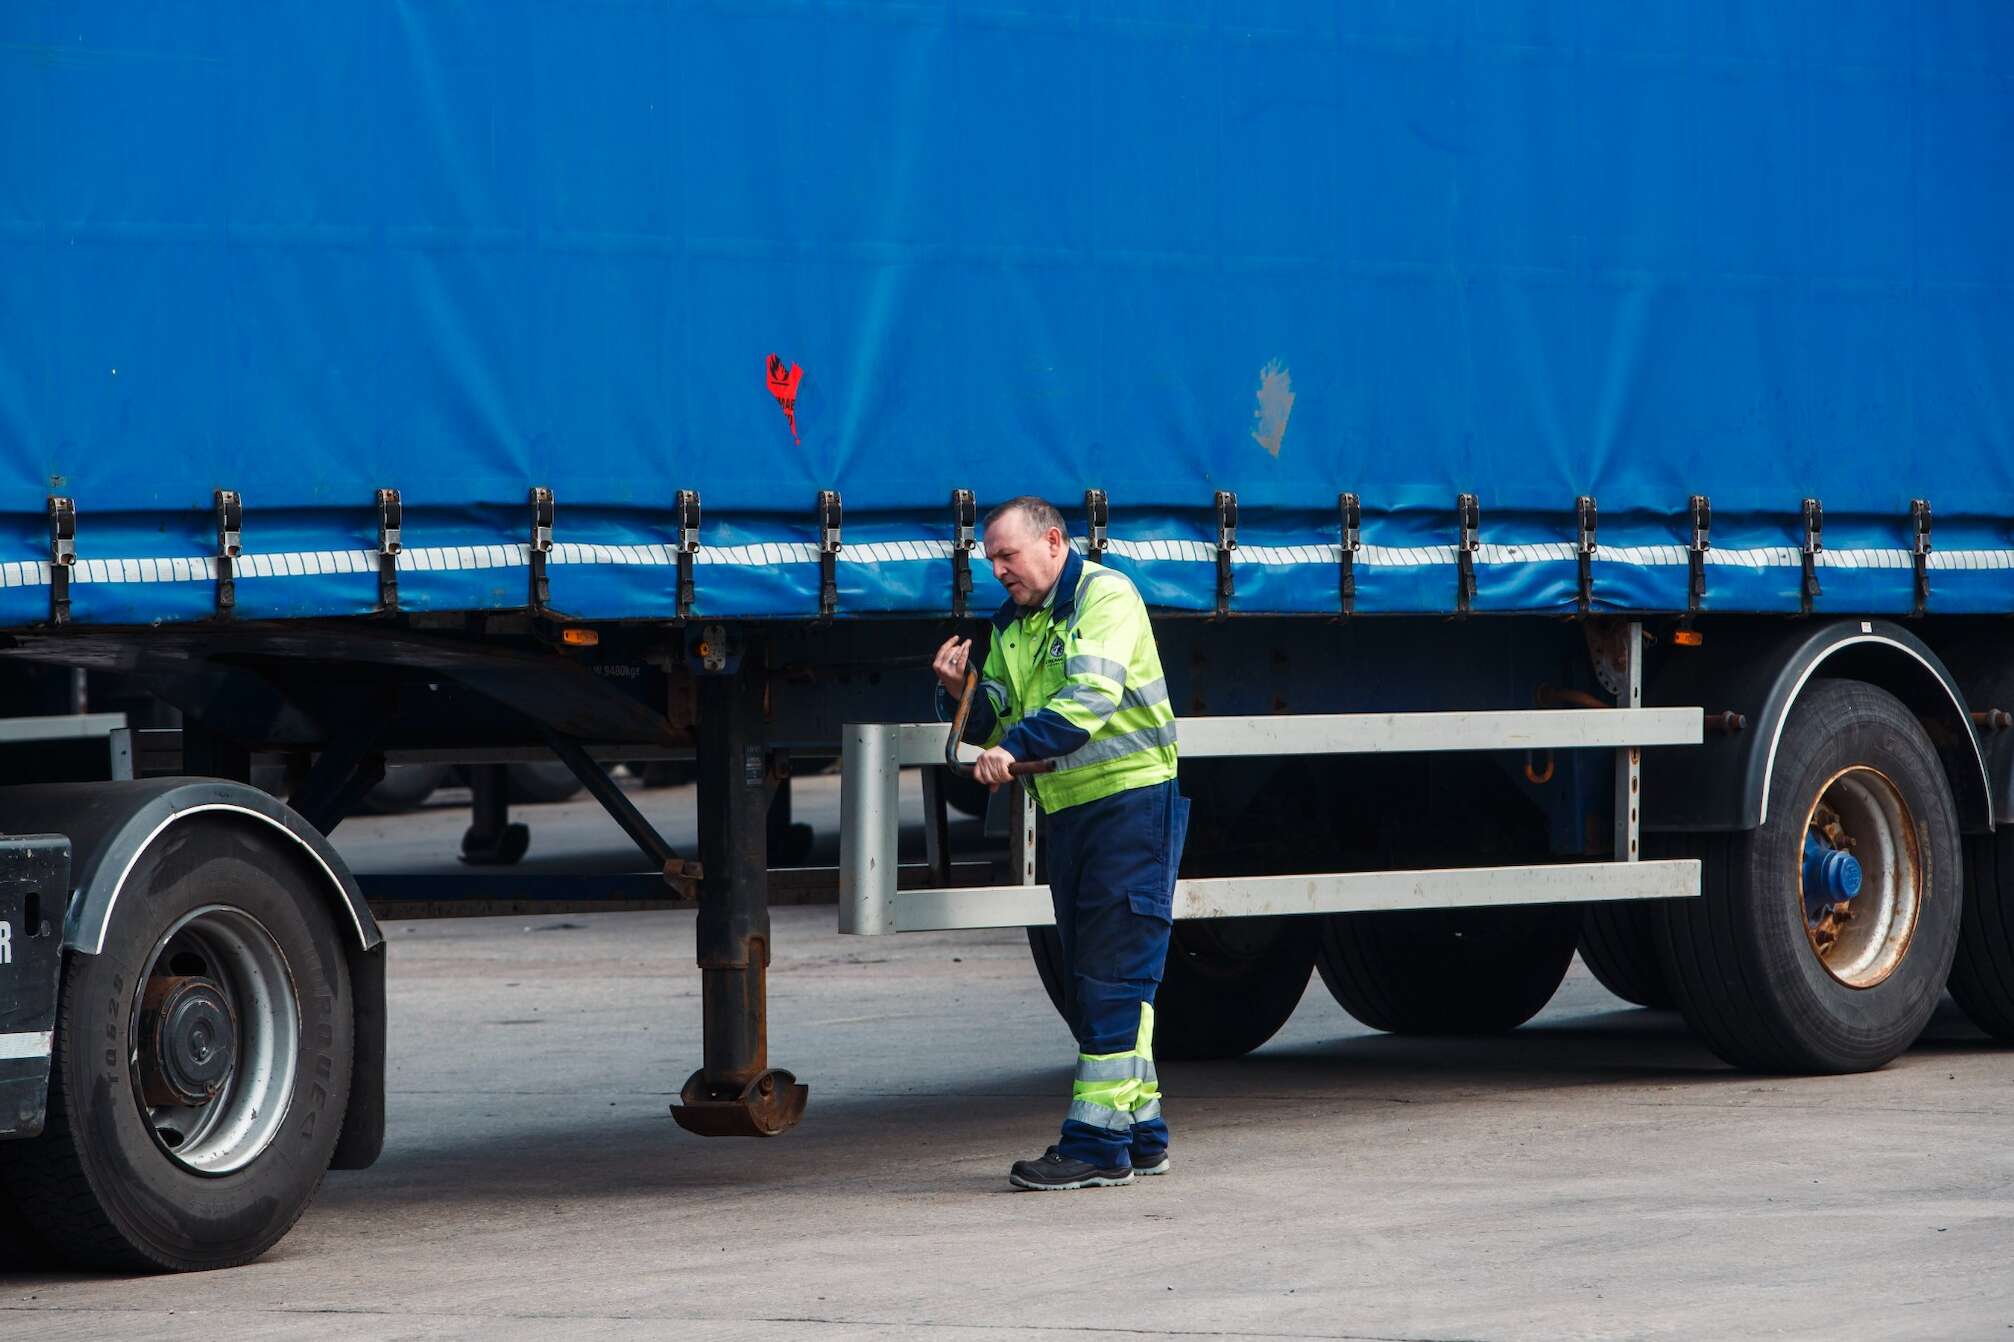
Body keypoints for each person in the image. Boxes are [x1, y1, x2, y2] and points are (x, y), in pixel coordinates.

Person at [932, 496, 1187, 1190]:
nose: (999, 571)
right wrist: (964, 698)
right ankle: (1141, 1133)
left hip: (1129, 806)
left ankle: (1095, 1147)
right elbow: (1007, 716)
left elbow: (1089, 699)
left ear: (1052, 542)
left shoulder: (1104, 596)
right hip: (1073, 813)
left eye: (1007, 556)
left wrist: (1009, 749)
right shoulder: (1014, 626)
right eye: (991, 561)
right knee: (1104, 980)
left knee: (1111, 977)